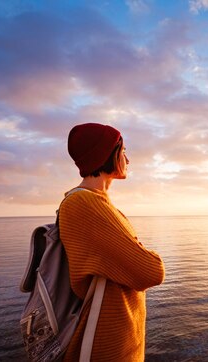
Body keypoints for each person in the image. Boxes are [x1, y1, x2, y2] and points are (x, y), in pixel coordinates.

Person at [59, 123, 165, 361]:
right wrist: (146, 252)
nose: (127, 158)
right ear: (106, 154)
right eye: (123, 150)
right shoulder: (86, 204)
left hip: (120, 339)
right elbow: (151, 272)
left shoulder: (99, 203)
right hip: (106, 344)